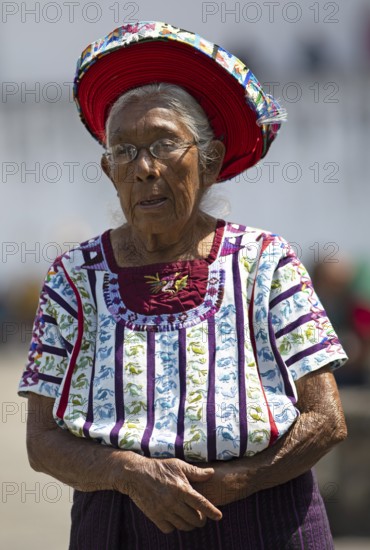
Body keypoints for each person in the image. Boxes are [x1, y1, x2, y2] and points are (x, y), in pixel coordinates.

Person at [18, 21, 348, 549]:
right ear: (108, 171)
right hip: (122, 526)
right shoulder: (73, 279)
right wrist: (128, 471)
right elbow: (41, 442)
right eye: (124, 152)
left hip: (263, 521)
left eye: (164, 143)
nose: (145, 168)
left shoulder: (266, 262)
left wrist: (238, 480)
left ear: (210, 158)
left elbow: (326, 421)